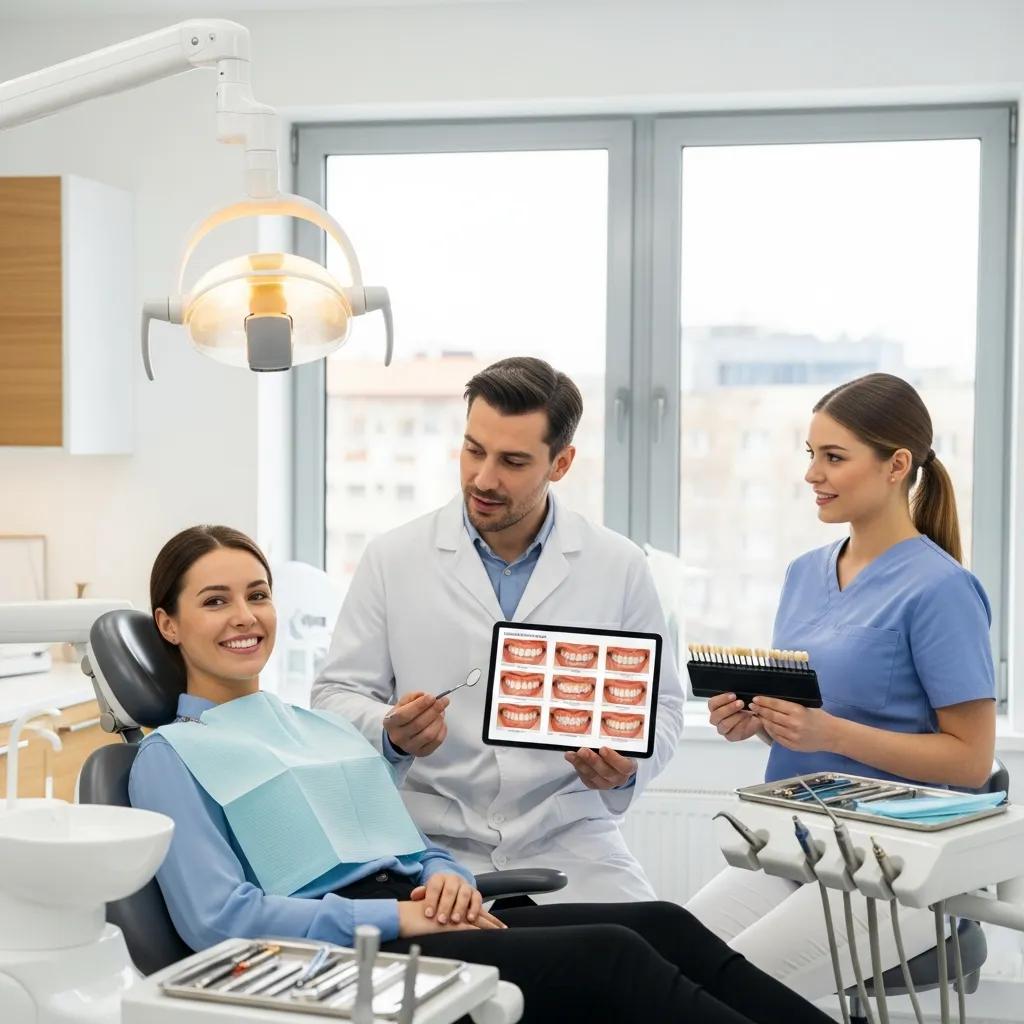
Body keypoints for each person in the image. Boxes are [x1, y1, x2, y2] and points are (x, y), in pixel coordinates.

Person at [129, 524, 833, 1024]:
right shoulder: (170, 755)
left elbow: (413, 846)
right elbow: (218, 921)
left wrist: (447, 879)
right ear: (168, 624)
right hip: (353, 950)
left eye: (257, 594)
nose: (245, 617)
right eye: (215, 601)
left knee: (663, 924)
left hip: (429, 911)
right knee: (612, 957)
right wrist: (398, 914)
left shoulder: (315, 726)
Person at [311, 357, 684, 903]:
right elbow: (335, 694)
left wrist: (626, 770)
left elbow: (665, 708)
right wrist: (388, 730)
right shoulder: (393, 558)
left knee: (647, 960)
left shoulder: (618, 565)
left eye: (512, 461)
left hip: (572, 839)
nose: (484, 479)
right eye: (473, 450)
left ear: (561, 463)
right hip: (429, 841)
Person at [686, 373, 997, 998]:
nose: (812, 474)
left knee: (721, 991)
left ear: (895, 466)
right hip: (798, 843)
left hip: (900, 864)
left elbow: (970, 762)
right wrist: (756, 720)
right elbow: (811, 720)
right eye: (811, 455)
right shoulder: (804, 574)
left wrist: (831, 732)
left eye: (834, 457)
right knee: (666, 958)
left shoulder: (941, 590)